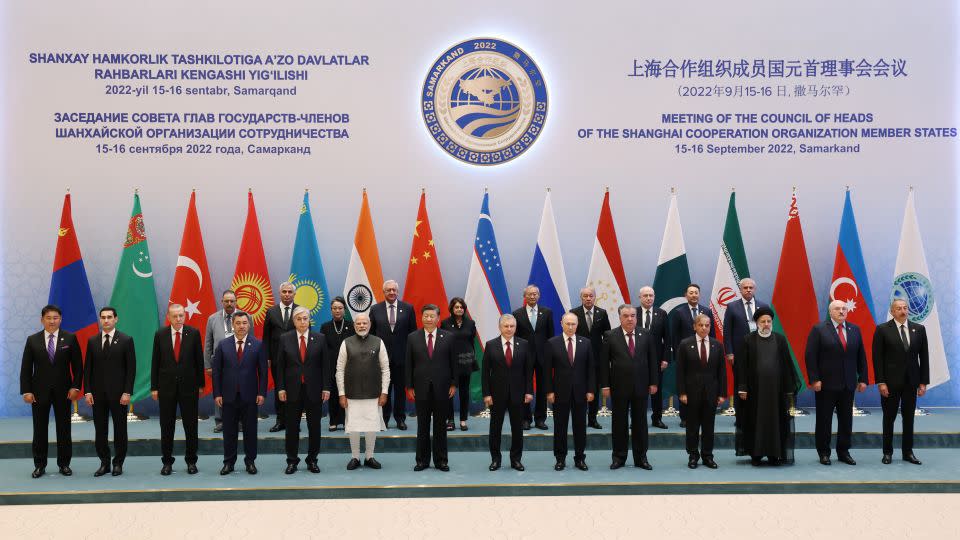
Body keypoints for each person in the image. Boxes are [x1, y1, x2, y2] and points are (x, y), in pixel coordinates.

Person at [20, 304, 82, 478]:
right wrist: (26, 391)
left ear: (60, 320)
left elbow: (78, 367)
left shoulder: (70, 338)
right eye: (48, 318)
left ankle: (64, 464)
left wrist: (75, 387)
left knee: (64, 429)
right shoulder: (32, 340)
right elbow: (26, 368)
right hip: (38, 393)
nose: (52, 321)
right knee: (39, 429)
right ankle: (39, 465)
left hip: (64, 392)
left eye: (55, 318)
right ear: (42, 320)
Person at [805, 299, 868, 466]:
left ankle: (843, 451)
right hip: (825, 384)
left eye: (844, 309)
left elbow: (861, 355)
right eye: (838, 309)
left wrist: (863, 378)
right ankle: (824, 452)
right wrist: (814, 379)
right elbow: (810, 356)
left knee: (846, 420)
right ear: (830, 311)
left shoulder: (854, 329)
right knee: (824, 420)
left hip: (848, 384)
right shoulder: (819, 329)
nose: (842, 311)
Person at [736, 307, 798, 466]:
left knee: (776, 421)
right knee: (755, 420)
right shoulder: (747, 340)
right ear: (756, 323)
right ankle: (756, 455)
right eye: (762, 321)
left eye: (768, 321)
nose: (766, 324)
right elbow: (741, 366)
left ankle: (774, 454)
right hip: (754, 391)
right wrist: (742, 387)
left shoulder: (780, 339)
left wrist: (788, 388)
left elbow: (787, 365)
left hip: (776, 391)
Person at [600, 304, 658, 470]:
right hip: (618, 387)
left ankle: (641, 458)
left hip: (641, 386)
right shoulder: (610, 335)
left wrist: (653, 382)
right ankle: (619, 457)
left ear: (636, 317)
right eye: (626, 316)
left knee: (640, 423)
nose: (630, 318)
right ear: (620, 317)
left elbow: (652, 360)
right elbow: (604, 364)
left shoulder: (646, 334)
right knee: (619, 423)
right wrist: (605, 385)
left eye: (633, 315)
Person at [873, 298, 929, 465]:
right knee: (889, 418)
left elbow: (924, 357)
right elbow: (877, 359)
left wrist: (923, 382)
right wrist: (881, 382)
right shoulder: (882, 330)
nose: (903, 311)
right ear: (892, 311)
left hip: (911, 383)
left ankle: (908, 452)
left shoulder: (919, 329)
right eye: (899, 308)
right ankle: (887, 452)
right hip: (889, 383)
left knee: (909, 418)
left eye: (905, 308)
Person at [151, 304, 204, 476]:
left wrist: (201, 384)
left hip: (189, 388)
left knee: (191, 426)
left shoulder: (193, 333)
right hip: (166, 389)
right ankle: (167, 462)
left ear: (184, 316)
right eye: (175, 316)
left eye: (181, 315)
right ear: (169, 317)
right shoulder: (160, 335)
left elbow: (199, 361)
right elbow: (155, 363)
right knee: (167, 426)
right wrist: (154, 387)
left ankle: (191, 461)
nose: (179, 319)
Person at [213, 311, 267, 475]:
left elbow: (263, 372)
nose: (241, 326)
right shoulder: (223, 344)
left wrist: (262, 393)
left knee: (250, 431)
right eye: (238, 323)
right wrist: (217, 394)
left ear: (249, 325)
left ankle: (250, 462)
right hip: (228, 397)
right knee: (229, 431)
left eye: (244, 323)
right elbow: (217, 372)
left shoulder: (257, 344)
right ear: (232, 325)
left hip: (250, 397)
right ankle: (229, 462)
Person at [83, 307, 135, 477]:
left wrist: (127, 392)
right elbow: (87, 369)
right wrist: (88, 391)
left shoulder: (126, 340)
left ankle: (118, 463)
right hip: (97, 395)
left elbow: (131, 369)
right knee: (100, 430)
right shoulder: (92, 341)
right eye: (103, 317)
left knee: (120, 429)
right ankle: (104, 463)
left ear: (116, 319)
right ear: (100, 320)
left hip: (119, 395)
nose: (106, 320)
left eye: (109, 317)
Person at [277, 306, 330, 474]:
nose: (302, 322)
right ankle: (292, 461)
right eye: (298, 319)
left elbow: (325, 366)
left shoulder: (320, 338)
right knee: (292, 427)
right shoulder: (285, 338)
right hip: (292, 390)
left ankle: (312, 460)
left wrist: (326, 387)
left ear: (309, 320)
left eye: (305, 318)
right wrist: (281, 387)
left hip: (314, 390)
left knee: (314, 427)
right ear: (294, 321)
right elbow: (280, 367)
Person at [405, 304, 457, 471]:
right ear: (422, 318)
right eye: (425, 316)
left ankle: (441, 460)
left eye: (432, 316)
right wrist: (409, 386)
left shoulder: (448, 337)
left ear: (438, 318)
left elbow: (453, 363)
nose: (428, 319)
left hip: (443, 388)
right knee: (423, 426)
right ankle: (422, 460)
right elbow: (409, 364)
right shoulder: (413, 337)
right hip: (420, 388)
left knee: (440, 426)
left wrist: (453, 383)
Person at [336, 313, 390, 470]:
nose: (361, 326)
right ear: (354, 325)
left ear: (370, 324)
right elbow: (339, 369)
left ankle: (369, 457)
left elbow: (386, 369)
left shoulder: (378, 342)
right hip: (351, 394)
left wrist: (384, 392)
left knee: (371, 426)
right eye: (358, 323)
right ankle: (355, 457)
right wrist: (341, 393)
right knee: (353, 426)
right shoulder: (346, 343)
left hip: (374, 393)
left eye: (364, 323)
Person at [481, 314, 533, 471]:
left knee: (517, 428)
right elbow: (485, 372)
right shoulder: (491, 345)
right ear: (500, 327)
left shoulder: (524, 344)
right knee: (495, 428)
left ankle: (516, 459)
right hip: (496, 395)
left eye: (512, 326)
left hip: (518, 394)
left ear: (515, 327)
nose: (509, 329)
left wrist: (528, 391)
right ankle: (495, 459)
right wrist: (486, 394)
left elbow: (528, 371)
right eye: (506, 326)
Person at [544, 312, 595, 471]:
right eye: (568, 324)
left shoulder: (586, 343)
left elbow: (591, 369)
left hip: (581, 393)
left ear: (577, 324)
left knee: (580, 427)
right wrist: (549, 391)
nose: (571, 327)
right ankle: (560, 459)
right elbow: (546, 370)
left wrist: (591, 390)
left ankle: (580, 458)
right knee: (560, 427)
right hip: (559, 393)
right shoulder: (552, 343)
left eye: (573, 324)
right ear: (561, 324)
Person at [676, 314, 727, 469]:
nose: (704, 328)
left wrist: (722, 393)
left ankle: (707, 456)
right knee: (692, 427)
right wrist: (682, 392)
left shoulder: (717, 345)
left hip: (711, 393)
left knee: (708, 426)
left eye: (707, 325)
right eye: (701, 325)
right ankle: (693, 456)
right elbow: (680, 371)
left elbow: (722, 372)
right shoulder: (685, 344)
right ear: (694, 326)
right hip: (691, 393)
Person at [368, 280, 416, 429]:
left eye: (394, 290)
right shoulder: (375, 309)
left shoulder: (408, 308)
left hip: (402, 358)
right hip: (381, 359)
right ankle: (385, 418)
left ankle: (400, 418)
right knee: (384, 390)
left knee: (401, 390)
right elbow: (371, 334)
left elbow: (413, 334)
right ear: (384, 292)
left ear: (397, 291)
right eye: (388, 290)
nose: (391, 292)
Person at [668, 283, 715, 427]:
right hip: (686, 357)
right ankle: (685, 417)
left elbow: (712, 335)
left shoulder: (707, 311)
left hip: (704, 355)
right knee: (686, 387)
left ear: (699, 295)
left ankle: (701, 415)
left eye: (696, 292)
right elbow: (674, 336)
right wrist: (678, 356)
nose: (694, 295)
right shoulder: (679, 312)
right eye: (691, 293)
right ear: (686, 295)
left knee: (703, 386)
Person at [723, 278, 769, 420]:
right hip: (739, 354)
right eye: (745, 287)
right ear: (740, 290)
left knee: (759, 383)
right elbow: (727, 331)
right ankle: (741, 418)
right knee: (740, 384)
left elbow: (768, 329)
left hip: (760, 352)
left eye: (751, 287)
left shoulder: (763, 306)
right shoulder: (732, 307)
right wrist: (729, 352)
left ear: (754, 289)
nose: (748, 290)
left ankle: (757, 415)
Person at [512, 285, 553, 430]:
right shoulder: (517, 314)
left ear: (539, 296)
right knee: (524, 387)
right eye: (529, 294)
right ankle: (525, 419)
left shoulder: (547, 312)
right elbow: (515, 338)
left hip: (543, 356)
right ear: (525, 296)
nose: (532, 296)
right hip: (524, 356)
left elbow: (550, 336)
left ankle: (540, 419)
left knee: (543, 387)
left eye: (535, 294)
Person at [570, 287, 609, 430]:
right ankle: (579, 419)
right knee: (579, 389)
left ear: (595, 297)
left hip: (597, 359)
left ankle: (592, 419)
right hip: (578, 358)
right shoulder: (574, 313)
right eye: (585, 296)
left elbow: (607, 337)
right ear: (581, 298)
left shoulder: (602, 313)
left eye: (591, 296)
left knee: (594, 389)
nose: (588, 298)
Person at [262, 281, 298, 432]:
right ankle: (280, 420)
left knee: (295, 391)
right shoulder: (271, 311)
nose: (287, 294)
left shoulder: (300, 311)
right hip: (276, 359)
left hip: (296, 359)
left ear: (294, 294)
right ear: (280, 293)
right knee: (280, 389)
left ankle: (293, 422)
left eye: (290, 292)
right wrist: (267, 357)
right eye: (284, 292)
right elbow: (266, 337)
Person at [440, 297, 478, 431]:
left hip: (466, 362)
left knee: (464, 392)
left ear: (464, 309)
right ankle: (450, 420)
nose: (459, 309)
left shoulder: (471, 323)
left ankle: (463, 420)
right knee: (449, 392)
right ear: (452, 309)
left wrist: (473, 360)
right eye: (456, 307)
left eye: (461, 307)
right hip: (450, 363)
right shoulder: (444, 323)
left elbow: (472, 341)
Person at [319, 296, 354, 431]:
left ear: (344, 310)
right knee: (333, 393)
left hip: (348, 366)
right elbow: (322, 347)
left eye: (340, 308)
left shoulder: (351, 326)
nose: (337, 311)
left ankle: (346, 421)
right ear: (331, 310)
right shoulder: (325, 326)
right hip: (330, 365)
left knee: (348, 393)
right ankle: (333, 421)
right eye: (334, 308)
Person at [204, 289, 237, 433]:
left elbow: (252, 341)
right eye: (226, 301)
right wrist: (208, 365)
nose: (229, 303)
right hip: (219, 362)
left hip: (240, 362)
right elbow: (208, 344)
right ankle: (220, 421)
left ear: (236, 302)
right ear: (221, 301)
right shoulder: (212, 318)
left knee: (239, 391)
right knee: (220, 391)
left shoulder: (246, 317)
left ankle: (239, 421)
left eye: (232, 301)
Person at [636, 286, 669, 429]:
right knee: (637, 391)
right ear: (640, 297)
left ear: (654, 297)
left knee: (657, 390)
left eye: (651, 295)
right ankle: (637, 419)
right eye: (645, 296)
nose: (649, 298)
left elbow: (668, 339)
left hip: (657, 360)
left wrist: (666, 359)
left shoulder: (662, 314)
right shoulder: (633, 313)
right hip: (636, 360)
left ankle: (657, 419)